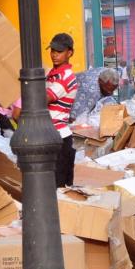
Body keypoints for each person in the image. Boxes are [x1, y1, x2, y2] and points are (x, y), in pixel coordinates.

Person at [46, 33, 79, 187]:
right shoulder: (51, 75)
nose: (54, 55)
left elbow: (42, 99)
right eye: (52, 50)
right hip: (50, 136)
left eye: (59, 51)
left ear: (69, 53)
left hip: (59, 139)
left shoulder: (66, 77)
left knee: (58, 188)